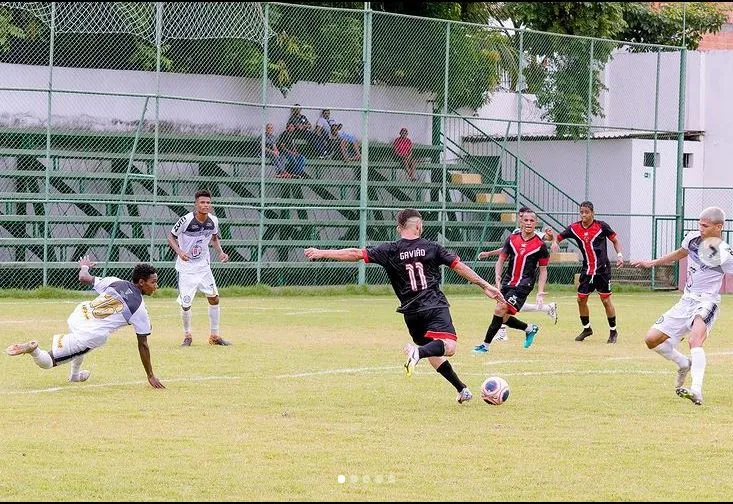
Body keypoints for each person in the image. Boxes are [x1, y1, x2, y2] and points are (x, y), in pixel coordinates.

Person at [304, 208, 505, 404]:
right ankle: (417, 354)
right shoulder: (432, 247)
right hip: (433, 305)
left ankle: (462, 389)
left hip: (410, 313)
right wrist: (485, 286)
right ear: (418, 226)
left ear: (399, 227)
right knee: (449, 347)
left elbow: (355, 253)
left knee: (431, 350)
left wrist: (322, 252)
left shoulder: (390, 249)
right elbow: (460, 267)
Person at [5, 256, 165, 389]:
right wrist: (150, 375)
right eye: (153, 282)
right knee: (48, 361)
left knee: (81, 350)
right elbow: (143, 344)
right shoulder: (139, 309)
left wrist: (84, 266)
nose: (156, 286)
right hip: (89, 333)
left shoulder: (116, 281)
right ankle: (33, 349)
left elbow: (83, 277)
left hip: (80, 314)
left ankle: (75, 375)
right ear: (142, 282)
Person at [632, 206, 733, 406]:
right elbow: (680, 253)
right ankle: (683, 363)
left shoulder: (724, 254)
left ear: (718, 227)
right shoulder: (693, 239)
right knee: (651, 340)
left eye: (705, 226)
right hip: (686, 300)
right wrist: (652, 263)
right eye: (699, 224)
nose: (701, 228)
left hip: (707, 301)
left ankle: (696, 389)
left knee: (695, 341)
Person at [473, 209, 549, 354]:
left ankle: (485, 345)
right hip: (508, 282)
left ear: (535, 224)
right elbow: (501, 259)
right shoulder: (512, 239)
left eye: (532, 221)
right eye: (526, 220)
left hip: (523, 285)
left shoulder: (540, 245)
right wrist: (497, 278)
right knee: (503, 317)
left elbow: (543, 270)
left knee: (499, 309)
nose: (528, 223)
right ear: (521, 222)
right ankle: (529, 328)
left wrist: (540, 292)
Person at [551, 201, 624, 344]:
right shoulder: (574, 228)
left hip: (602, 270)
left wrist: (620, 255)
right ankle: (587, 329)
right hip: (587, 270)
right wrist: (554, 242)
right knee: (581, 299)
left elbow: (615, 240)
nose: (584, 215)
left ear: (592, 213)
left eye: (586, 212)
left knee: (605, 300)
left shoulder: (601, 226)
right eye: (581, 212)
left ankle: (613, 331)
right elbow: (558, 238)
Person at [167, 189, 231, 347]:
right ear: (196, 204)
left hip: (203, 267)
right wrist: (180, 251)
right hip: (187, 269)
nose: (205, 205)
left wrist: (221, 253)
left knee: (214, 298)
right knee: (186, 303)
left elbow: (214, 239)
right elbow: (171, 236)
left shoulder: (213, 221)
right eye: (202, 202)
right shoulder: (186, 220)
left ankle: (214, 336)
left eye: (208, 202)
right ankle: (187, 335)